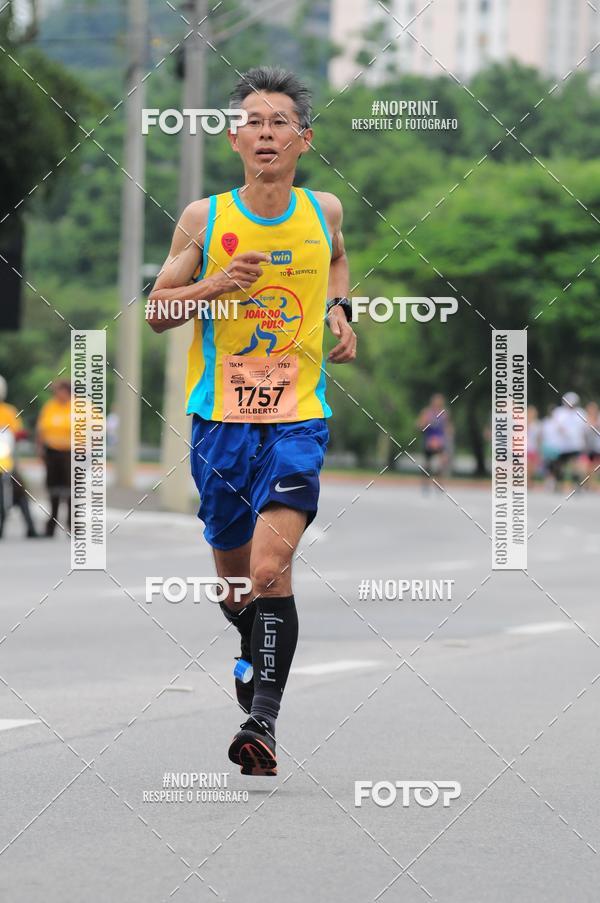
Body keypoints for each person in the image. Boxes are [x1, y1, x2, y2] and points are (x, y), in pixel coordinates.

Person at [146, 67, 356, 775]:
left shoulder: (324, 211)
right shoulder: (205, 220)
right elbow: (156, 312)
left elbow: (338, 261)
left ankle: (260, 719)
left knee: (271, 570)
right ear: (235, 137)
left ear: (305, 137)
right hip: (220, 423)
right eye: (253, 123)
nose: (266, 133)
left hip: (298, 417)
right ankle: (252, 647)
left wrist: (340, 310)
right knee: (236, 584)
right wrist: (213, 285)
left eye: (279, 122)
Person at [0, 375, 39, 538]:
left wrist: (19, 435)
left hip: (6, 459)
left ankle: (30, 527)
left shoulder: (9, 411)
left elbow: (15, 432)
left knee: (19, 490)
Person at [36, 379, 72, 536]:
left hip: (71, 454)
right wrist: (40, 449)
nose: (57, 394)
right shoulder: (50, 407)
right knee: (53, 489)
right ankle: (52, 523)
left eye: (60, 390)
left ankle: (73, 524)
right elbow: (41, 429)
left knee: (71, 490)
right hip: (52, 453)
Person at [551, 391, 587, 490]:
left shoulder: (581, 412)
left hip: (575, 444)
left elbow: (583, 428)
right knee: (559, 465)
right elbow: (557, 426)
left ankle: (577, 485)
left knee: (576, 465)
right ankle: (557, 483)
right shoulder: (559, 412)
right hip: (562, 445)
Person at [417, 393, 453, 489]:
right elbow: (420, 425)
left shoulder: (444, 413)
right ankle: (425, 484)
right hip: (429, 440)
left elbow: (448, 427)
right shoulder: (426, 412)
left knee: (442, 462)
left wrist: (448, 435)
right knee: (427, 464)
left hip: (440, 441)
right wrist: (425, 423)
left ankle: (439, 483)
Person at [583, 401, 600, 489]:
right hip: (588, 446)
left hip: (597, 446)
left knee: (596, 466)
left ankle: (594, 484)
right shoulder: (585, 418)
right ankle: (589, 484)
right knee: (589, 466)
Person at [526, 405, 542, 488]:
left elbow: (539, 438)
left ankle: (529, 481)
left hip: (533, 448)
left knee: (532, 468)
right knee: (526, 466)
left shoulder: (537, 424)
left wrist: (539, 450)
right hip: (524, 448)